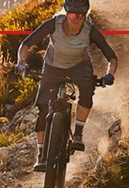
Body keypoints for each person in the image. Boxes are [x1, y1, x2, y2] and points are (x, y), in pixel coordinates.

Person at [15, 0, 118, 172]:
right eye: (71, 15)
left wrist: (110, 75)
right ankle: (41, 155)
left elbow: (111, 57)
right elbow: (26, 44)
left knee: (87, 88)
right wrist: (21, 62)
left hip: (79, 66)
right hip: (53, 66)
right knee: (42, 107)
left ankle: (77, 133)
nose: (76, 19)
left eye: (80, 16)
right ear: (66, 13)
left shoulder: (89, 30)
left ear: (85, 16)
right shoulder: (53, 24)